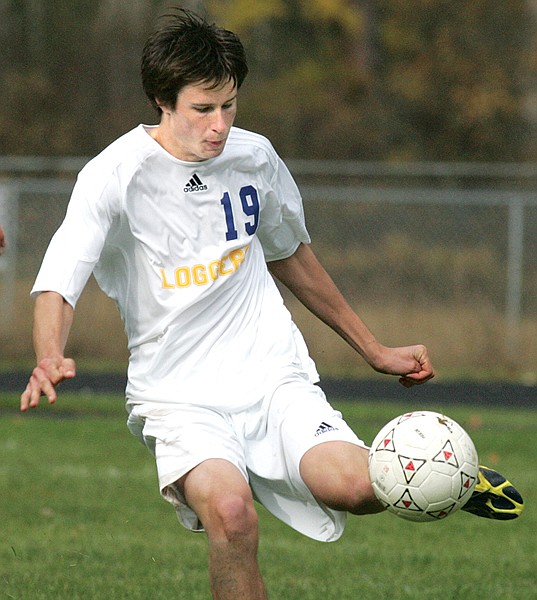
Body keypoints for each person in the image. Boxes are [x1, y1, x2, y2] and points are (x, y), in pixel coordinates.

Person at [20, 10, 523, 599]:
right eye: (202, 109)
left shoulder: (255, 158)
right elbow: (58, 279)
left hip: (271, 376)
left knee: (363, 489)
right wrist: (49, 354)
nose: (219, 126)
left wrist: (375, 350)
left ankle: (451, 480)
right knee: (232, 514)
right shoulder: (114, 175)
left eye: (229, 106)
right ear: (162, 99)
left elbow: (294, 258)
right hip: (179, 398)